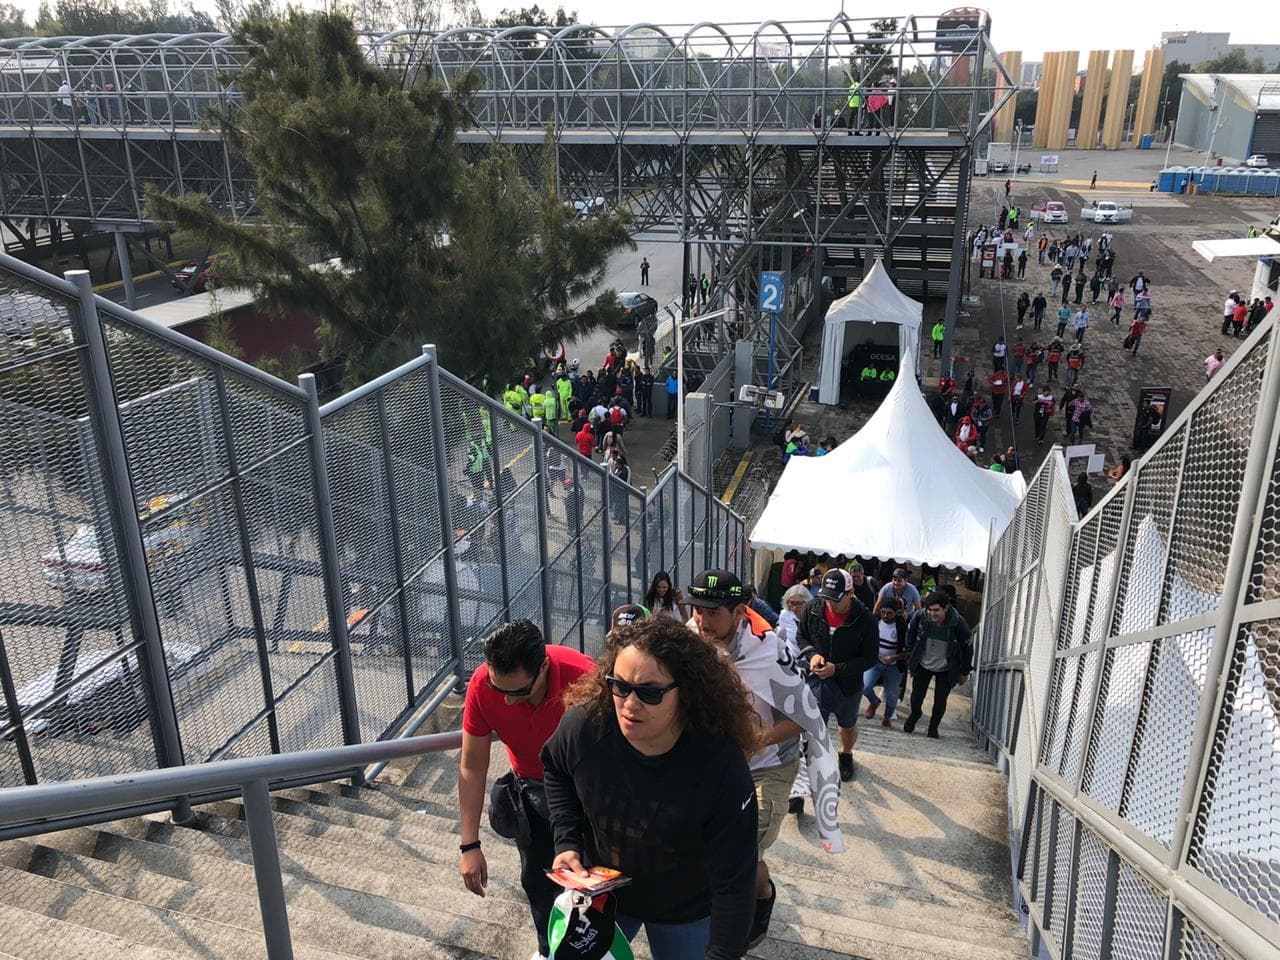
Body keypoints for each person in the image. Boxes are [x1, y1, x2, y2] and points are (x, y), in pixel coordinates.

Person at [542, 616, 759, 960]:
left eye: (650, 693)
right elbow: (555, 767)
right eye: (620, 685)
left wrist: (723, 954)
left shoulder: (720, 766)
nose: (629, 704)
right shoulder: (585, 727)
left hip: (685, 910)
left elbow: (735, 879)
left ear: (686, 692)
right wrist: (567, 839)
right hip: (604, 895)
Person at [687, 568, 844, 945]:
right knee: (709, 846)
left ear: (739, 611)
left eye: (714, 613)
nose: (703, 622)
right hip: (715, 763)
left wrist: (756, 741)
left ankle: (760, 898)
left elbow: (805, 718)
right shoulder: (691, 638)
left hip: (768, 765)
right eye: (698, 611)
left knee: (742, 851)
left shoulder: (770, 651)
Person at [458, 620, 595, 960]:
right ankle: (549, 949)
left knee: (589, 884)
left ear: (544, 667)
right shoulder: (482, 686)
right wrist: (469, 844)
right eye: (498, 688)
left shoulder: (585, 679)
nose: (505, 702)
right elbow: (473, 766)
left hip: (586, 793)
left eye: (517, 692)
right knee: (537, 882)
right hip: (531, 793)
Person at [795, 569, 878, 781]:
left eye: (836, 599)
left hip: (848, 684)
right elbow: (802, 637)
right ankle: (814, 763)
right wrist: (812, 655)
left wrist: (837, 669)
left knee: (847, 723)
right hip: (817, 679)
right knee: (814, 724)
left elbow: (869, 658)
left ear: (850, 593)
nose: (830, 603)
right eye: (826, 597)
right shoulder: (813, 608)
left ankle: (845, 753)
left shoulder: (865, 619)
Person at [902, 591, 973, 738]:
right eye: (929, 610)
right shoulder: (920, 616)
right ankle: (915, 714)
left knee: (940, 700)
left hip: (946, 666)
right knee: (916, 697)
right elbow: (910, 632)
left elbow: (968, 648)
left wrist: (964, 672)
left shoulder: (959, 624)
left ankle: (933, 727)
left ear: (945, 608)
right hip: (923, 662)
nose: (932, 614)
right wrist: (909, 653)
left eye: (936, 610)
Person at [861, 597, 907, 727]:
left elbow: (909, 651)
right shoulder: (875, 621)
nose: (885, 616)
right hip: (875, 661)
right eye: (883, 612)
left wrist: (895, 658)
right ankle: (874, 701)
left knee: (892, 696)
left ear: (896, 613)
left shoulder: (901, 627)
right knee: (866, 686)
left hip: (894, 665)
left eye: (889, 613)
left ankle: (887, 717)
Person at [776, 584, 812, 649]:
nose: (794, 608)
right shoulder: (785, 614)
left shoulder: (813, 615)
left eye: (799, 604)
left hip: (811, 657)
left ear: (807, 602)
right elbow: (782, 635)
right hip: (792, 656)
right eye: (791, 603)